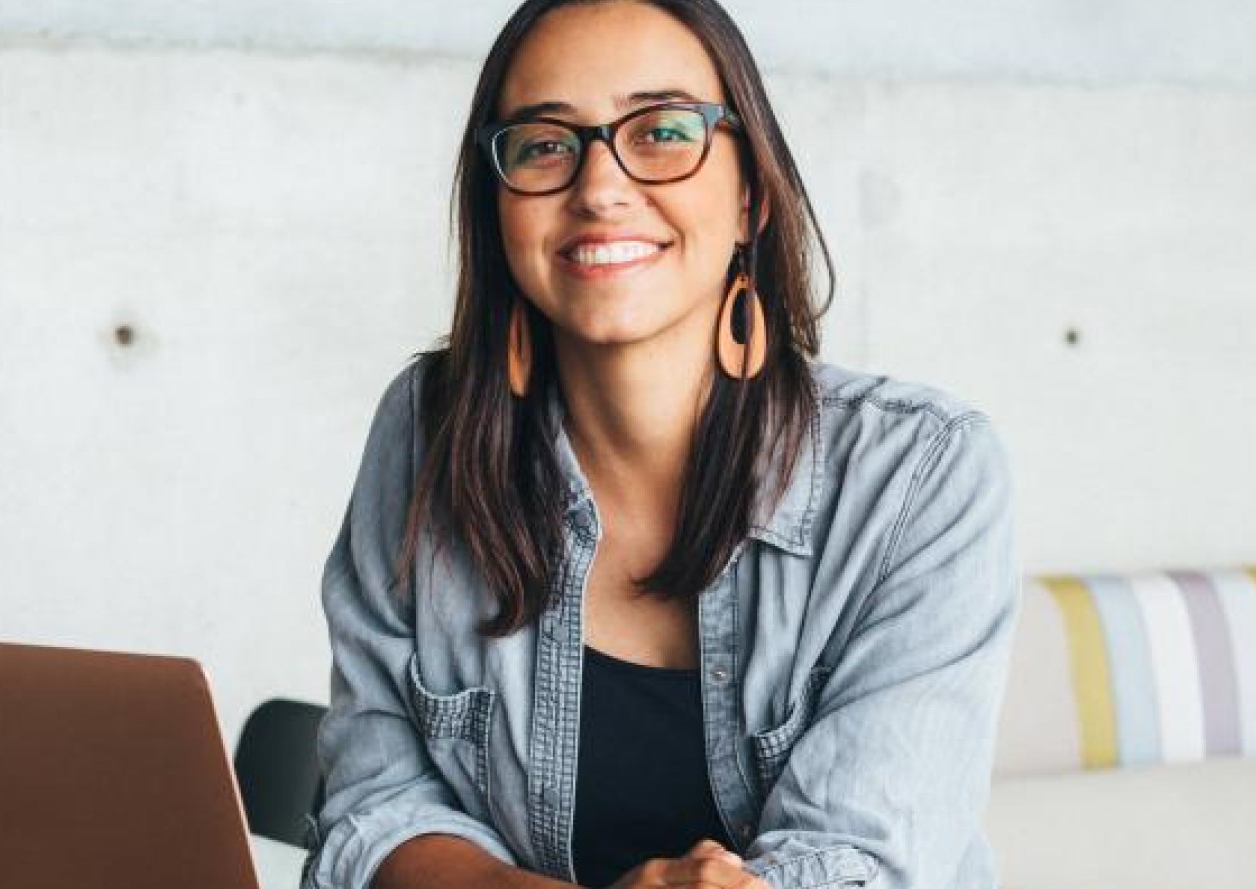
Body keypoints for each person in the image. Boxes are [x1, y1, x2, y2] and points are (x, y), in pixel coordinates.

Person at [301, 1, 1021, 887]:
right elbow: (377, 804)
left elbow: (860, 863)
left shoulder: (921, 476)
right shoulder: (427, 427)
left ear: (751, 192)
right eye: (544, 143)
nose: (599, 187)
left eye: (663, 131)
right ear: (498, 211)